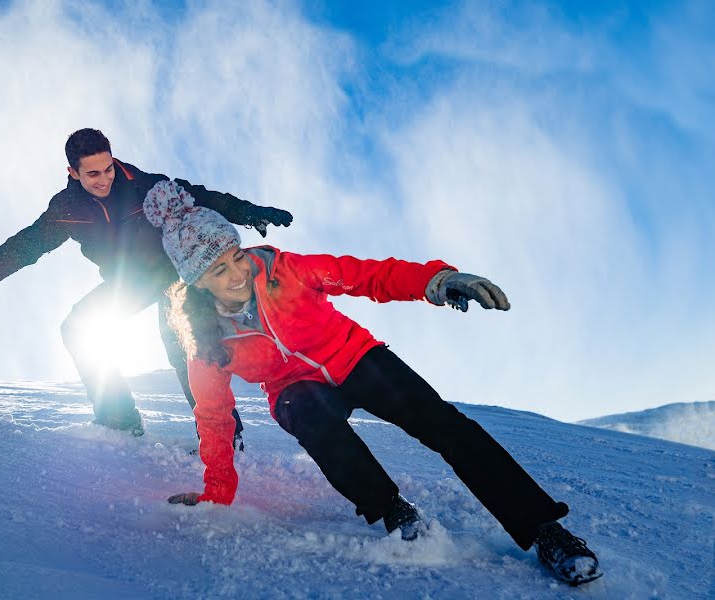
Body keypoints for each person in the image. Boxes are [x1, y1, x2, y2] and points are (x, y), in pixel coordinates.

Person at [142, 180, 602, 586]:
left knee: (443, 424)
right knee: (308, 416)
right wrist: (217, 491)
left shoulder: (288, 270)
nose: (239, 272)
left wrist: (437, 281)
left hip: (354, 356)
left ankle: (545, 529)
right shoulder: (206, 342)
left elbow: (369, 276)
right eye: (219, 271)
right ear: (196, 283)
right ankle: (392, 511)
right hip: (297, 389)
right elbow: (214, 416)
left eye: (236, 256)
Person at [0, 129, 292, 441]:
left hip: (171, 274)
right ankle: (120, 420)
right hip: (127, 283)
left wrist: (253, 213)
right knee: (78, 328)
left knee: (182, 344)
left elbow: (201, 196)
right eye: (92, 174)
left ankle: (225, 438)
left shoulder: (142, 185)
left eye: (108, 169)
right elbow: (23, 247)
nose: (104, 180)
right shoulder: (66, 209)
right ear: (72, 172)